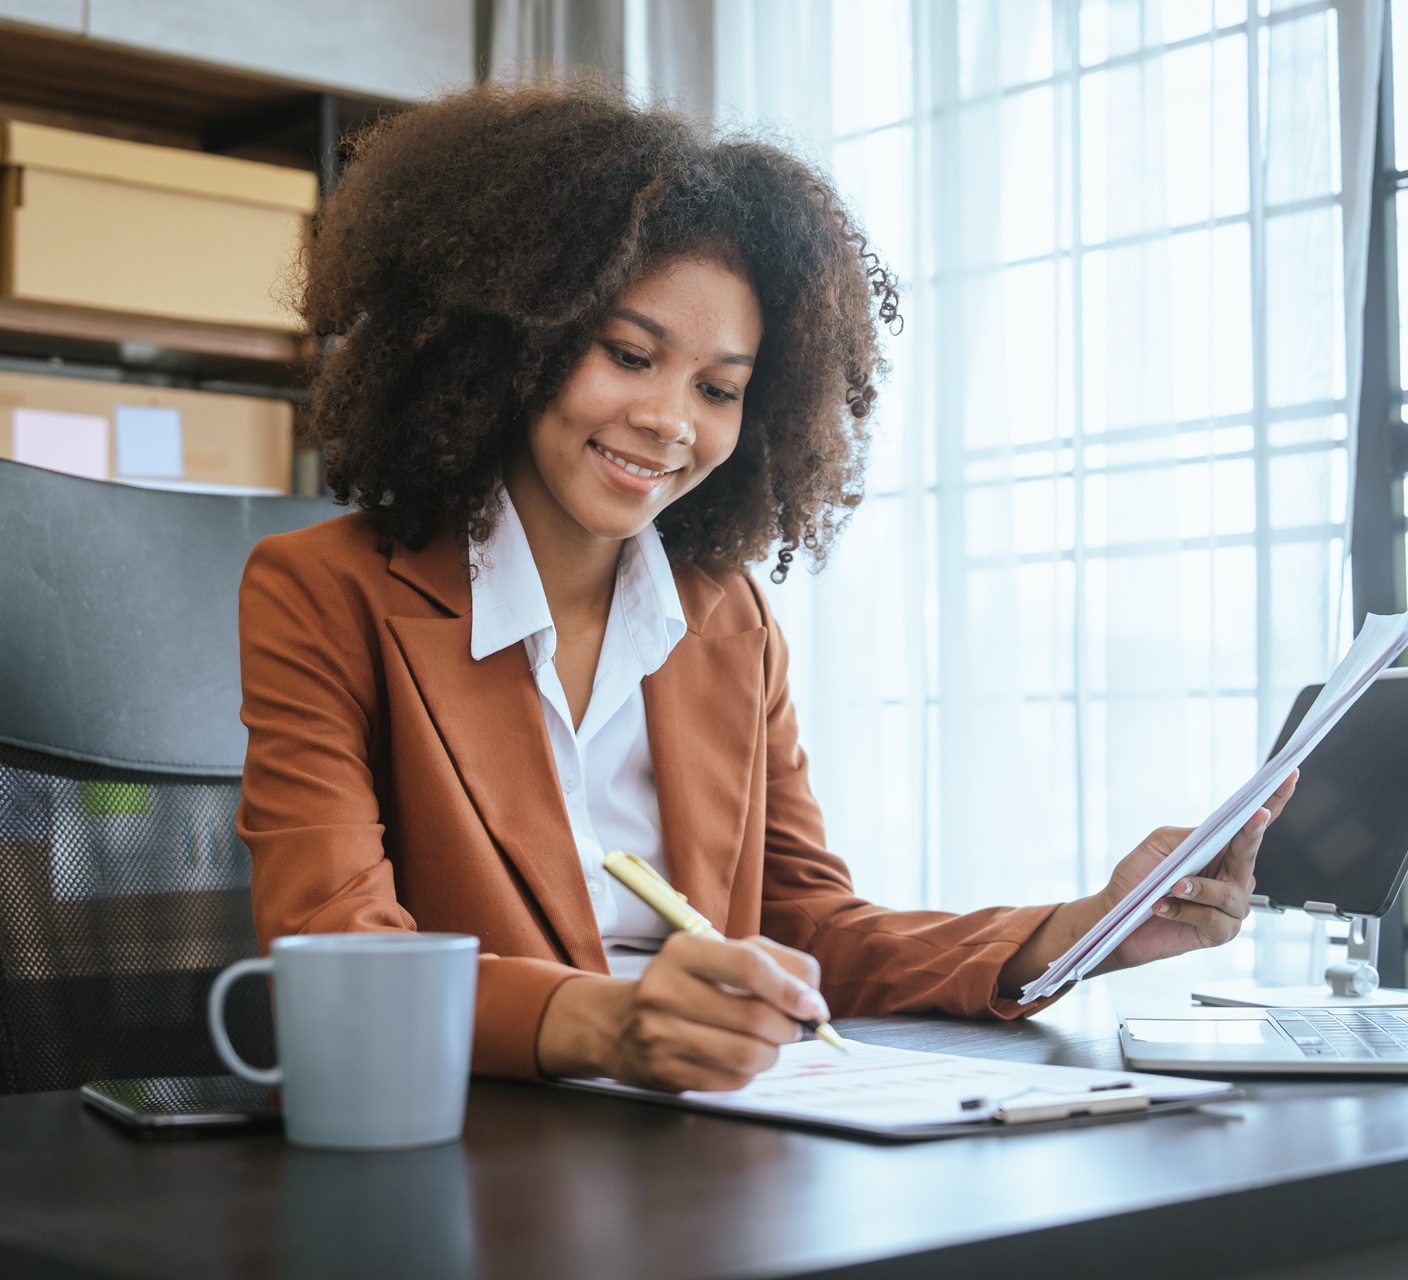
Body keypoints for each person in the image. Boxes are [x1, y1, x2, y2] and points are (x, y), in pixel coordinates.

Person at [237, 82, 1295, 1093]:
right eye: (626, 352)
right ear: (513, 340)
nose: (670, 420)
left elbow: (808, 929)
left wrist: (1081, 929)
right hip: (468, 1144)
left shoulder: (725, 617)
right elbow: (337, 955)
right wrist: (614, 1022)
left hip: (694, 1144)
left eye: (718, 388)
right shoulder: (324, 592)